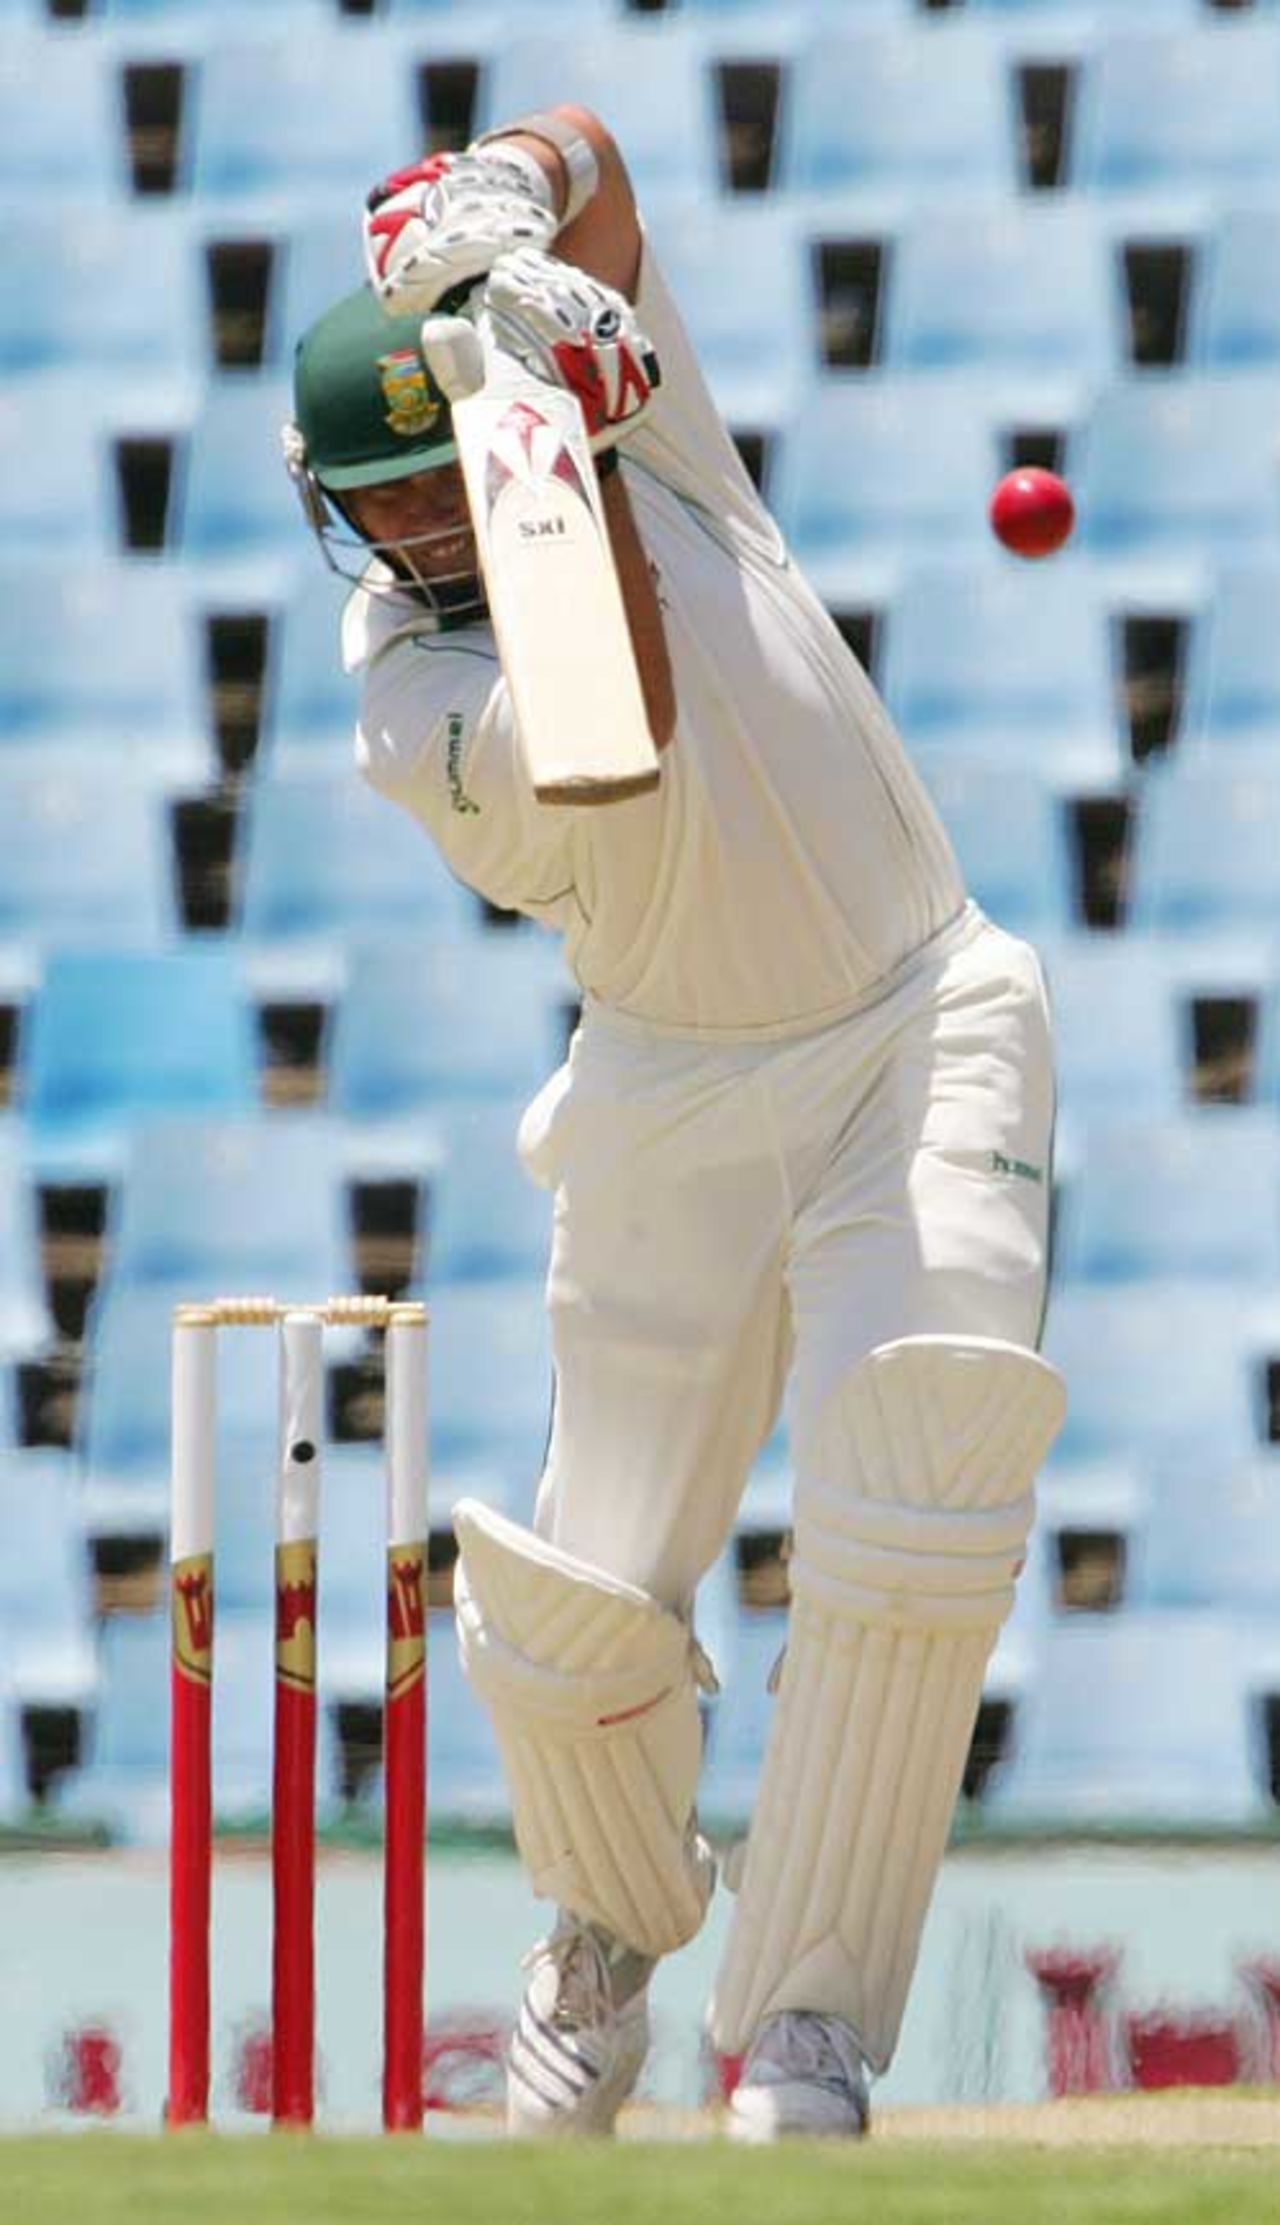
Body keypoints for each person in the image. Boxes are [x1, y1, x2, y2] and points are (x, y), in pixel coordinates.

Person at [284, 106, 1067, 2142]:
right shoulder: (406, 691)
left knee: (922, 1473)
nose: (426, 530)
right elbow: (610, 722)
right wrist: (548, 428)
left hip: (923, 1020)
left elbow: (600, 155)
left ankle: (804, 2026)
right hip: (667, 1088)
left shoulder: (641, 414)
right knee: (575, 1601)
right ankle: (601, 1942)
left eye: (440, 485)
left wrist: (510, 211)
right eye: (390, 503)